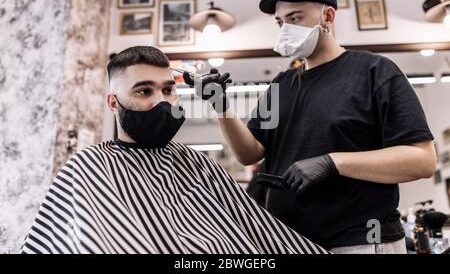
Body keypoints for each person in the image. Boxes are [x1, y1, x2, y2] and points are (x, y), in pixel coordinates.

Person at [184, 0, 437, 254]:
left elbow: (422, 161)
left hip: (361, 240)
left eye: (295, 18)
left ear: (327, 16)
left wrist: (332, 162)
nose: (285, 29)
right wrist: (221, 105)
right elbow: (250, 153)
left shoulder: (374, 72)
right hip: (288, 240)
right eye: (281, 22)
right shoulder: (281, 85)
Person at [20, 46, 327, 254]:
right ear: (114, 103)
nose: (162, 100)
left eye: (168, 90)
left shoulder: (197, 164)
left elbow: (258, 236)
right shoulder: (88, 167)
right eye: (144, 91)